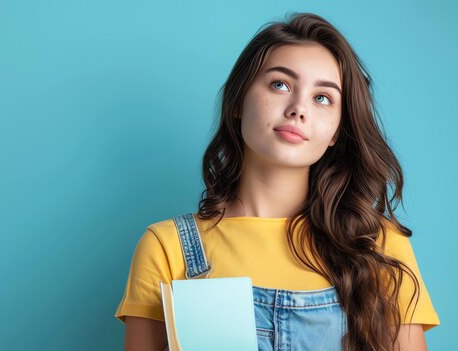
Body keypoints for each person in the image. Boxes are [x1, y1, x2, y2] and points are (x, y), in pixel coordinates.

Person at [115, 12, 440, 351]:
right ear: (239, 100)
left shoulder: (380, 246)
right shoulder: (168, 248)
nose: (299, 108)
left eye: (323, 98)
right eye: (280, 84)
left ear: (335, 133)